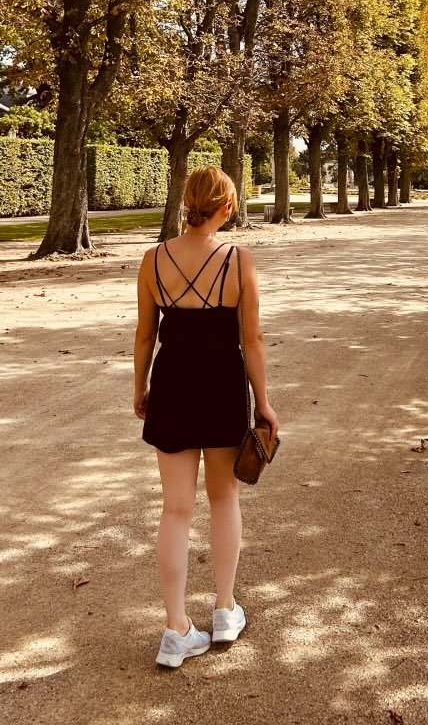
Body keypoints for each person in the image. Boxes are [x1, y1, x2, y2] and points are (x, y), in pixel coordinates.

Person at [134, 166, 279, 668]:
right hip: (221, 386)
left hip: (172, 385)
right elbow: (252, 339)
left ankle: (176, 630)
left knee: (175, 509)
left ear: (186, 202)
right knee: (224, 498)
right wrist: (263, 402)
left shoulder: (153, 259)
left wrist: (140, 388)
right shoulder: (238, 261)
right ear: (227, 207)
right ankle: (223, 610)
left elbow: (144, 335)